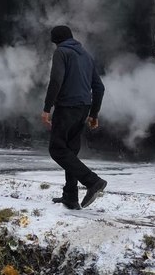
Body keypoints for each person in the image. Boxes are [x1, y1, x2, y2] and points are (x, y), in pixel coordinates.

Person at [41, 25, 107, 209]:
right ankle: (70, 197)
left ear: (55, 41)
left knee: (57, 150)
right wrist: (94, 113)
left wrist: (47, 108)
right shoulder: (85, 55)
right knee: (70, 151)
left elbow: (56, 80)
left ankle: (92, 181)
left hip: (67, 107)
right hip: (83, 108)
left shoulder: (61, 53)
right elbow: (99, 87)